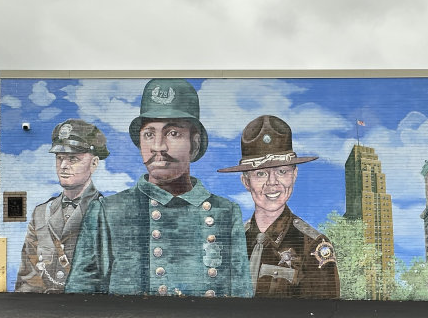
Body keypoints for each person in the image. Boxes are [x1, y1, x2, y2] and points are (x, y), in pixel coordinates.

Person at [65, 78, 252, 297]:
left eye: (173, 133)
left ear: (195, 143)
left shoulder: (226, 213)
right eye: (149, 134)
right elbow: (79, 300)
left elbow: (241, 299)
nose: (158, 147)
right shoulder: (107, 212)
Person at [218, 115, 339, 298]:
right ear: (245, 181)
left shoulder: (312, 245)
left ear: (294, 175)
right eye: (260, 174)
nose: (272, 183)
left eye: (282, 171)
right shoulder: (232, 241)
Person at [15, 119, 109, 293]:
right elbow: (28, 276)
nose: (64, 166)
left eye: (73, 158)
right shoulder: (41, 213)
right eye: (60, 158)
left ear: (94, 163)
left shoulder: (108, 212)